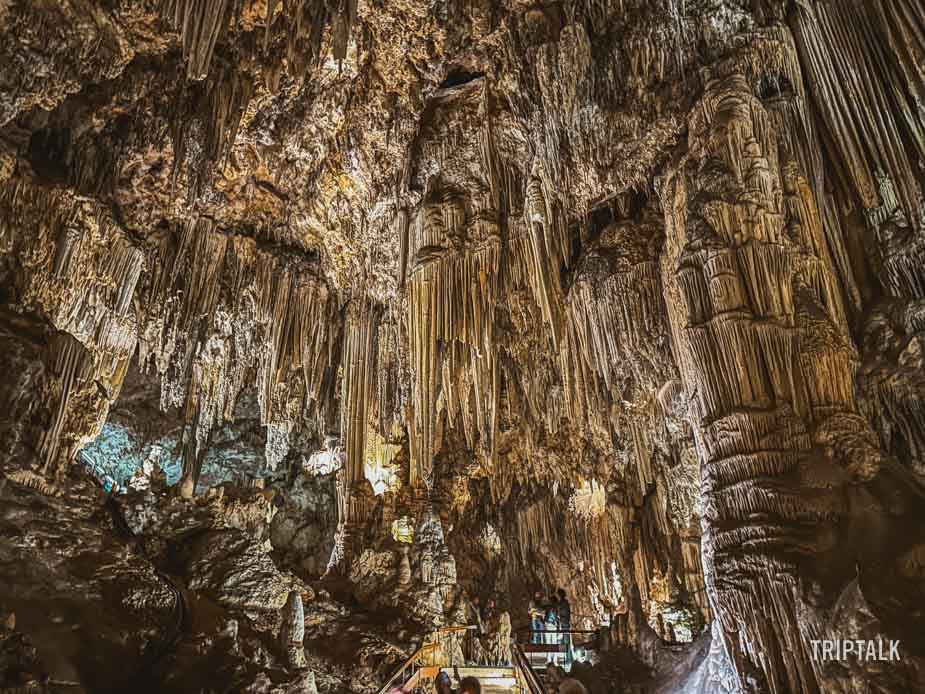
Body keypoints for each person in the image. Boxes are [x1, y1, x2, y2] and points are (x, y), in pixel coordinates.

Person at [557, 588, 573, 665]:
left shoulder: (562, 603)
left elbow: (563, 612)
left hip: (564, 623)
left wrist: (560, 618)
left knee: (565, 640)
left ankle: (567, 658)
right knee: (565, 640)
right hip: (565, 622)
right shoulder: (564, 603)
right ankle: (567, 657)